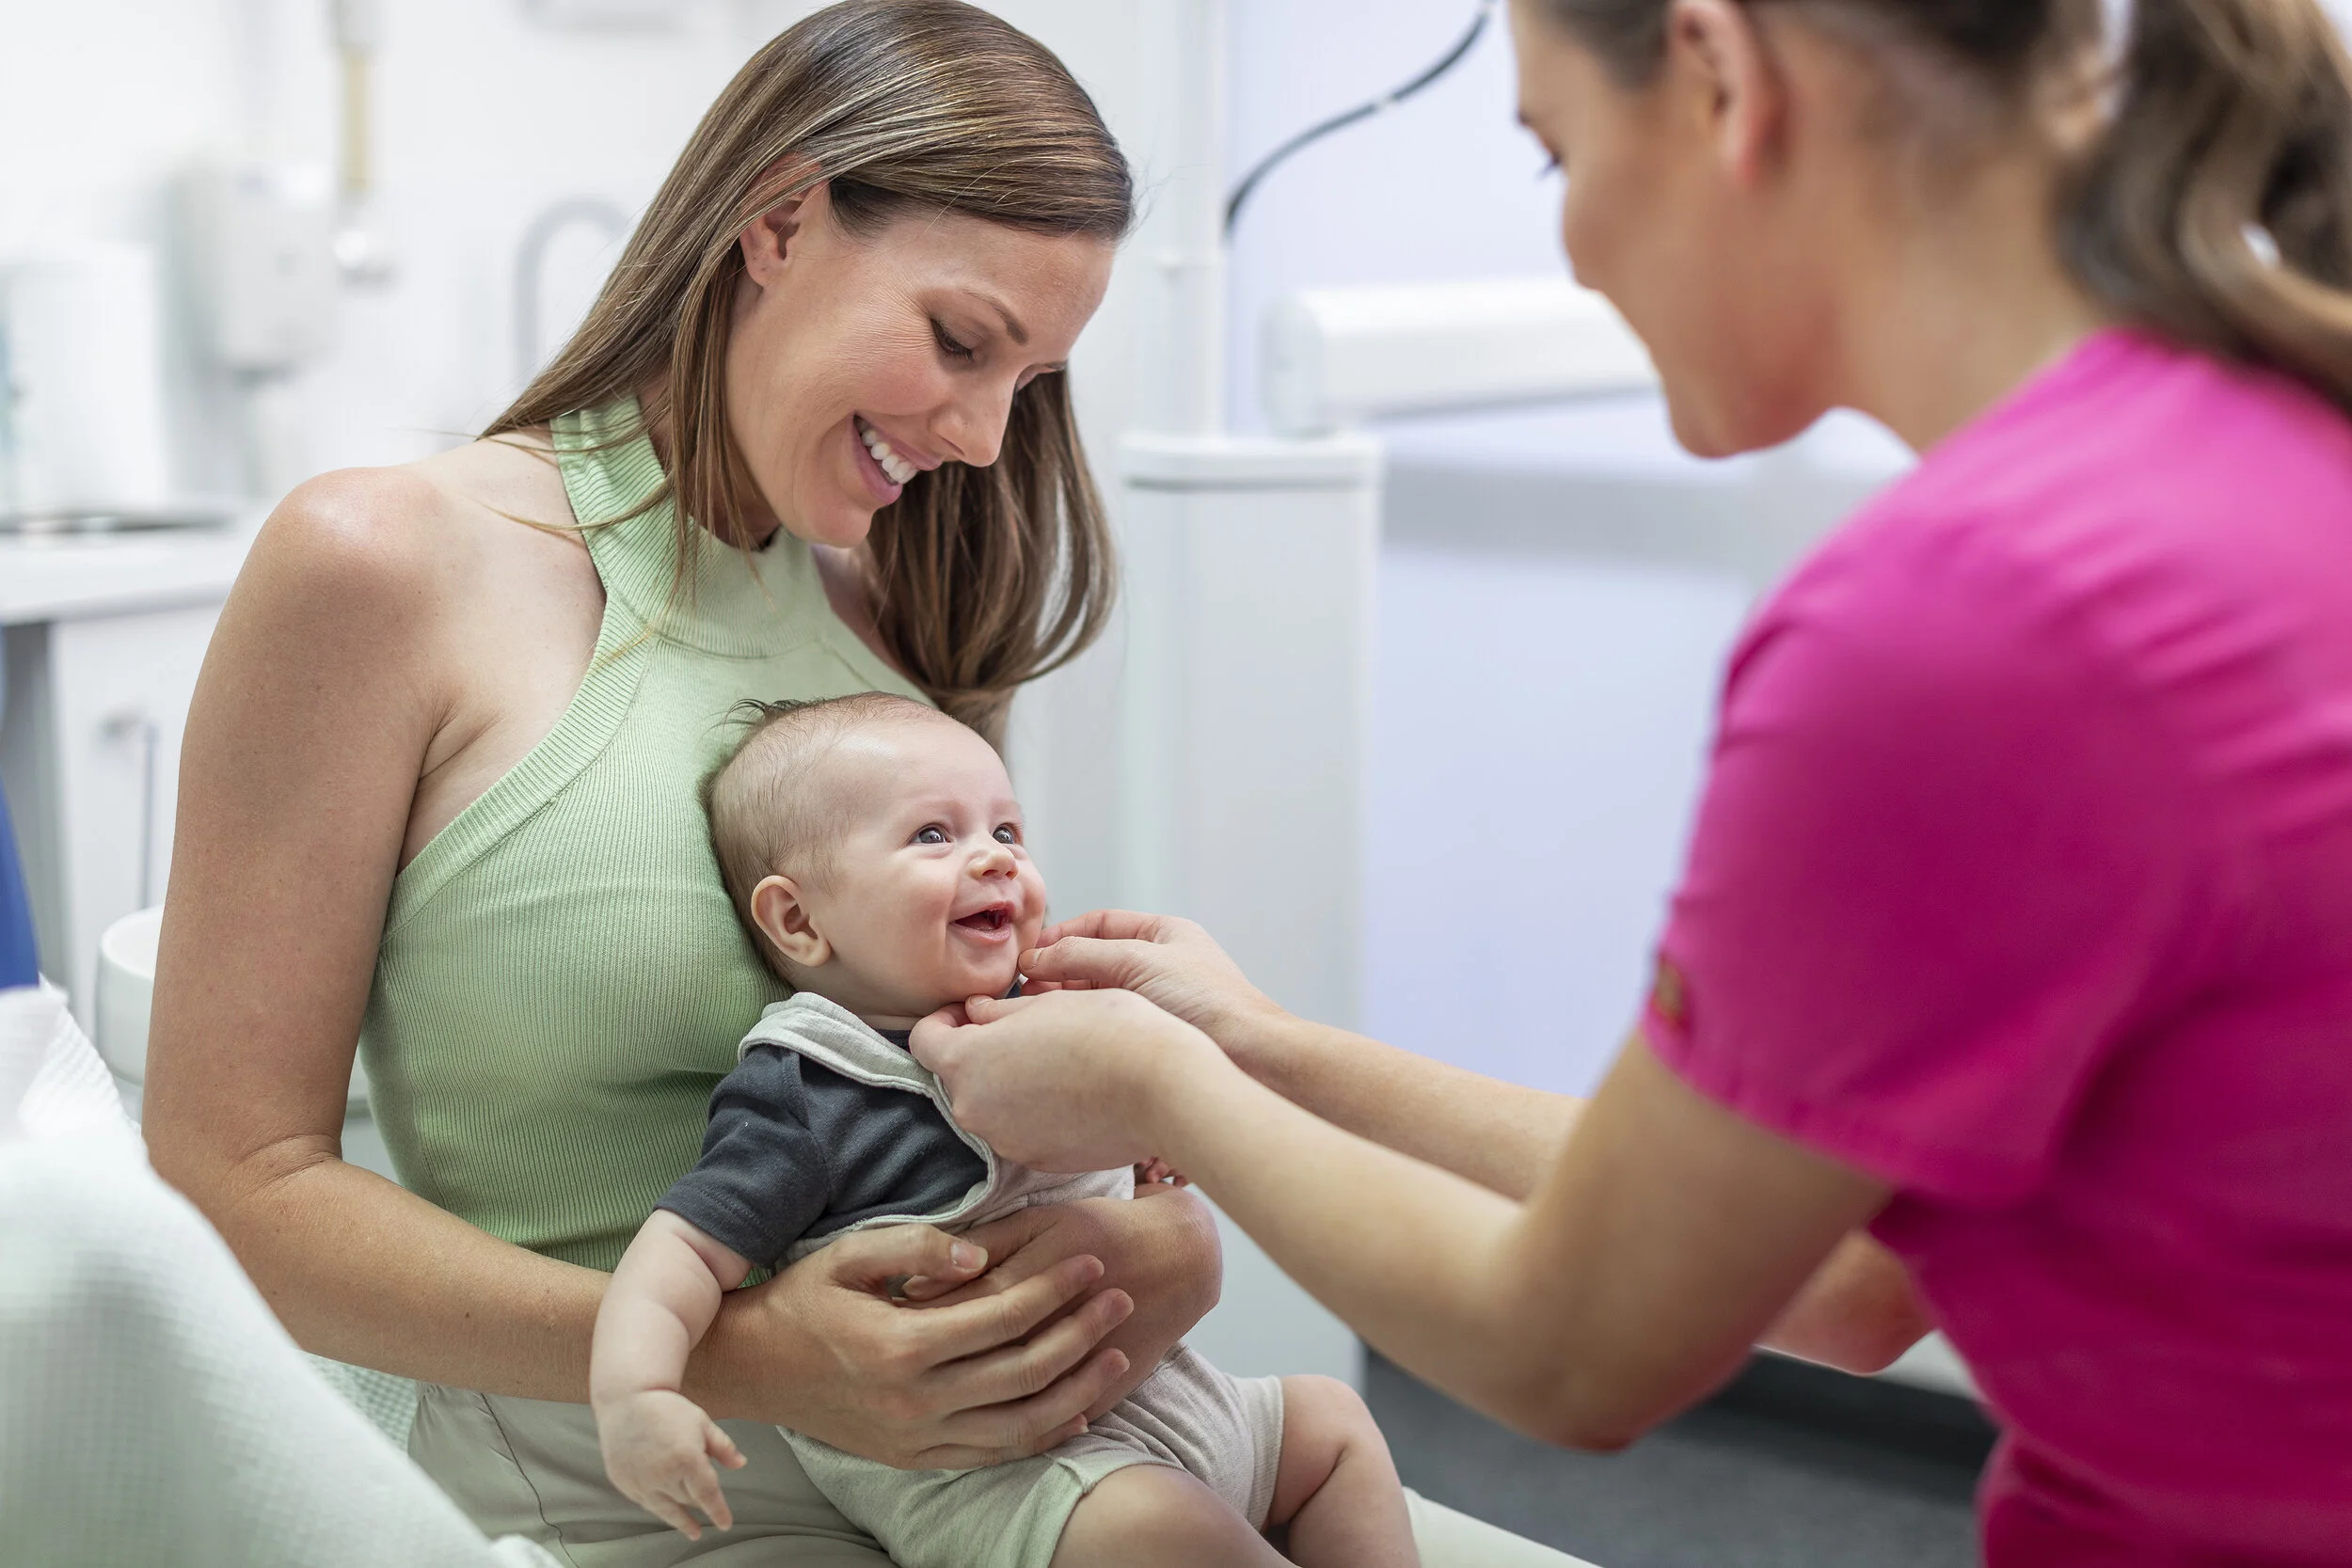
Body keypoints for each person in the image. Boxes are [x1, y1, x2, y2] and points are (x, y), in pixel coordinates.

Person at [910, 1, 2352, 1564]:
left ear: (1721, 76)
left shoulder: (1969, 620)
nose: (1578, 252)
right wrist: (1262, 1045)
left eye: (1558, 155)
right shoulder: (2256, 441)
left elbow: (1575, 1345)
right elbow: (1854, 1277)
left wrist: (1154, 1082)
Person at [141, 2, 1571, 1561]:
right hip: (632, 1475)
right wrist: (755, 1358)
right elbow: (232, 1184)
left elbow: (975, 1080)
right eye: (962, 342)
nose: (977, 434)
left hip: (988, 1446)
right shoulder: (386, 567)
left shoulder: (893, 623)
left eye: (1028, 379)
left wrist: (1155, 1249)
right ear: (779, 220)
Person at [591, 694, 1413, 1568]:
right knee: (1159, 1531)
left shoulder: (1050, 1021)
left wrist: (1151, 1148)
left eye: (1009, 831)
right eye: (934, 836)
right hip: (1002, 1477)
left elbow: (1132, 1140)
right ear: (799, 919)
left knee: (1334, 1423)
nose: (995, 859)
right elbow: (680, 1250)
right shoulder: (812, 1086)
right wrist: (637, 1392)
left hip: (1174, 1395)